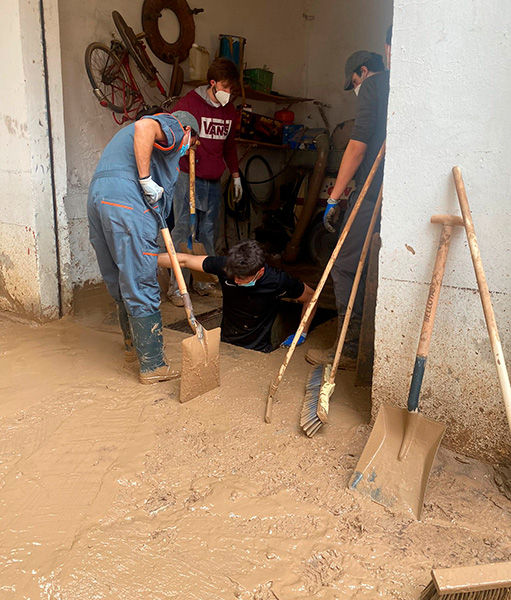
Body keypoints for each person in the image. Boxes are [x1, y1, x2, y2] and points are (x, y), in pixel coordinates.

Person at [87, 110, 198, 384]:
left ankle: (131, 348)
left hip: (99, 198)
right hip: (126, 201)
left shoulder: (125, 142)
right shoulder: (171, 124)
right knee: (139, 277)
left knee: (118, 276)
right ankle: (152, 365)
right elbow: (146, 125)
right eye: (191, 144)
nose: (186, 151)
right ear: (186, 130)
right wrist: (146, 179)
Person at [306, 49, 389, 367]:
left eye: (354, 80)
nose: (355, 86)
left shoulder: (374, 85)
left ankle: (350, 348)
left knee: (343, 264)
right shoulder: (402, 83)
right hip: (392, 193)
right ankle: (372, 346)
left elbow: (356, 146)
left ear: (364, 71)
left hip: (371, 194)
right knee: (373, 268)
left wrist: (333, 198)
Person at [168, 58, 242, 305]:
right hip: (187, 176)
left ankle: (203, 282)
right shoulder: (190, 104)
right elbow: (170, 132)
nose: (229, 93)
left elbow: (229, 146)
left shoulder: (229, 110)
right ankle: (177, 288)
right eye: (225, 87)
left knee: (208, 233)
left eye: (232, 89)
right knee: (184, 231)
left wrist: (235, 174)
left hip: (212, 179)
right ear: (213, 83)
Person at [158, 240, 316, 353]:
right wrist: (147, 258)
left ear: (259, 272)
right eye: (234, 277)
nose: (236, 281)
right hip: (226, 343)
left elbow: (311, 297)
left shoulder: (278, 281)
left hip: (259, 349)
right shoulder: (226, 266)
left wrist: (301, 332)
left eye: (242, 278)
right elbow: (184, 260)